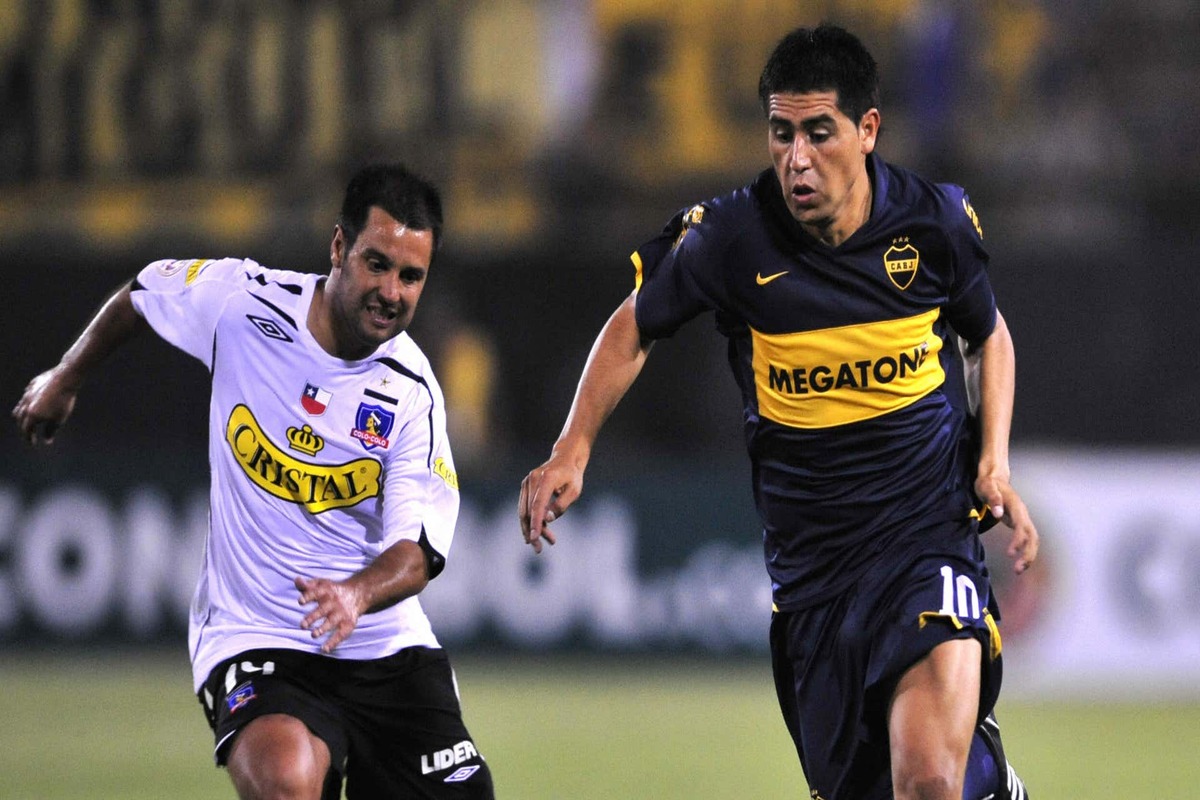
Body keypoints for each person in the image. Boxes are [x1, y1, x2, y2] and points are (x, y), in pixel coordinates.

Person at [519, 24, 1037, 800]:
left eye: (819, 132)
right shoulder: (730, 238)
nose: (797, 158)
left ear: (867, 130)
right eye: (781, 132)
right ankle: (992, 782)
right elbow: (634, 325)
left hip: (927, 541)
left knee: (927, 780)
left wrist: (992, 458)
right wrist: (573, 447)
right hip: (814, 582)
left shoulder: (932, 224)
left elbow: (987, 334)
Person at [14, 164, 494, 799]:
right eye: (377, 264)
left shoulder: (411, 393)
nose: (392, 291)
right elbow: (142, 294)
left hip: (380, 642)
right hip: (258, 631)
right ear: (338, 248)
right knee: (287, 781)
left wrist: (352, 596)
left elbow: (418, 554)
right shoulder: (244, 303)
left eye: (411, 277)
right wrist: (66, 377)